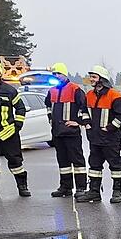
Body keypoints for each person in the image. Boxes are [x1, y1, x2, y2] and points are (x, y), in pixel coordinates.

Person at [76, 65, 121, 203]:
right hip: (94, 138)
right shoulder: (89, 95)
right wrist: (87, 123)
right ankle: (94, 192)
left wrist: (109, 128)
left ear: (102, 79)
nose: (91, 79)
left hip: (111, 139)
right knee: (94, 165)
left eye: (94, 77)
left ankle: (117, 192)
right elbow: (83, 111)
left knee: (115, 166)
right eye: (91, 77)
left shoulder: (114, 95)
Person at [45, 63, 89, 198]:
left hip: (71, 132)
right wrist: (51, 120)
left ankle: (81, 187)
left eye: (58, 73)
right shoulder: (52, 91)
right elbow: (48, 106)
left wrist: (79, 122)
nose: (56, 76)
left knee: (77, 160)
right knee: (63, 161)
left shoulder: (75, 89)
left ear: (64, 74)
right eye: (54, 74)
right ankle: (65, 187)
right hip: (57, 132)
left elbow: (84, 108)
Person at [0, 60, 30, 198]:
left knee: (15, 161)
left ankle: (22, 187)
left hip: (8, 132)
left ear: (0, 73)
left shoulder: (10, 90)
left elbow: (21, 108)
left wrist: (17, 125)